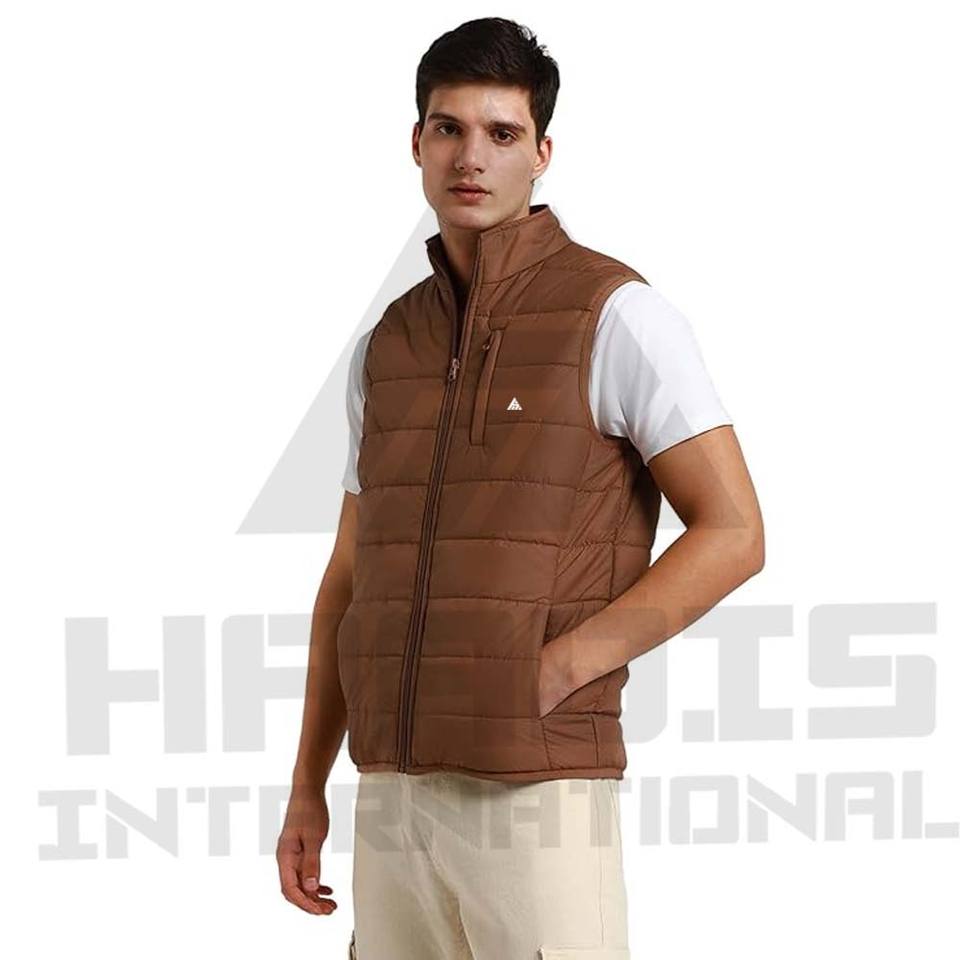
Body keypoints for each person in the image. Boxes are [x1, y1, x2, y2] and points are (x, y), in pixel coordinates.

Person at [277, 17, 764, 960]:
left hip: (537, 790)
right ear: (416, 142)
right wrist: (308, 784)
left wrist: (560, 668)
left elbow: (735, 532)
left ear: (542, 153)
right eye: (448, 128)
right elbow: (349, 575)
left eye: (501, 133)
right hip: (391, 794)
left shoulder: (617, 315)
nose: (472, 157)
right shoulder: (388, 345)